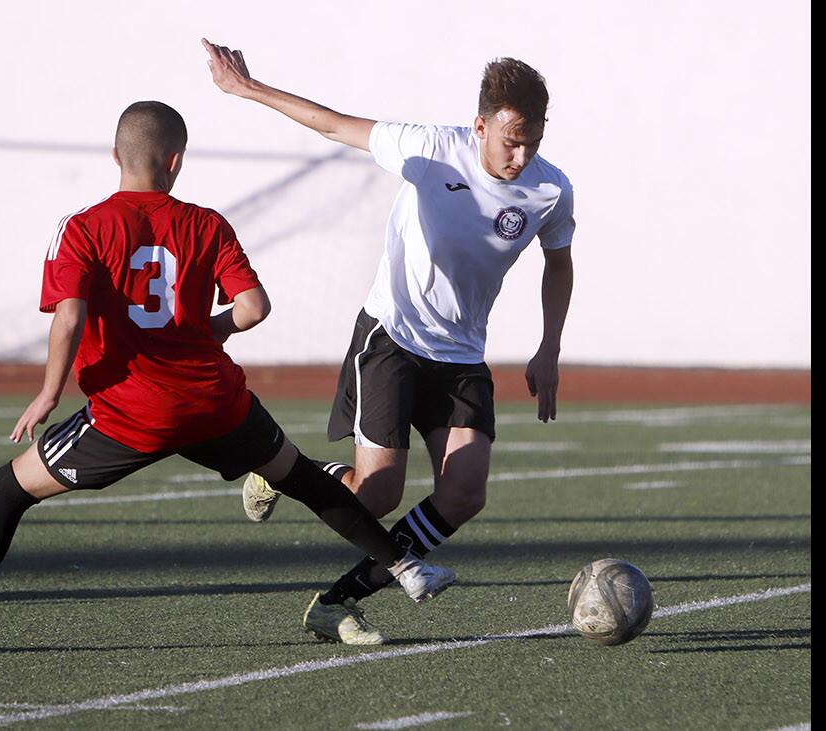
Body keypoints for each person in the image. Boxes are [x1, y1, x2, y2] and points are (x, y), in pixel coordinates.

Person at [0, 101, 455, 655]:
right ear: (177, 161)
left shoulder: (83, 226)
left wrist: (48, 392)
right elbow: (254, 307)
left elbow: (69, 314)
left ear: (115, 154)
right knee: (301, 477)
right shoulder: (206, 223)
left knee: (7, 489)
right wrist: (207, 333)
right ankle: (405, 566)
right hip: (216, 402)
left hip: (131, 413)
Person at [203, 39, 575, 644]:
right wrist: (249, 88)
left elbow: (559, 265)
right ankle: (281, 471)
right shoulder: (430, 148)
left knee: (465, 492)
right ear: (479, 125)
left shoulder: (551, 190)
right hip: (393, 340)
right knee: (376, 494)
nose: (521, 153)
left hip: (461, 357)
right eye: (510, 139)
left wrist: (549, 347)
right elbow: (331, 124)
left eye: (533, 139)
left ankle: (337, 601)